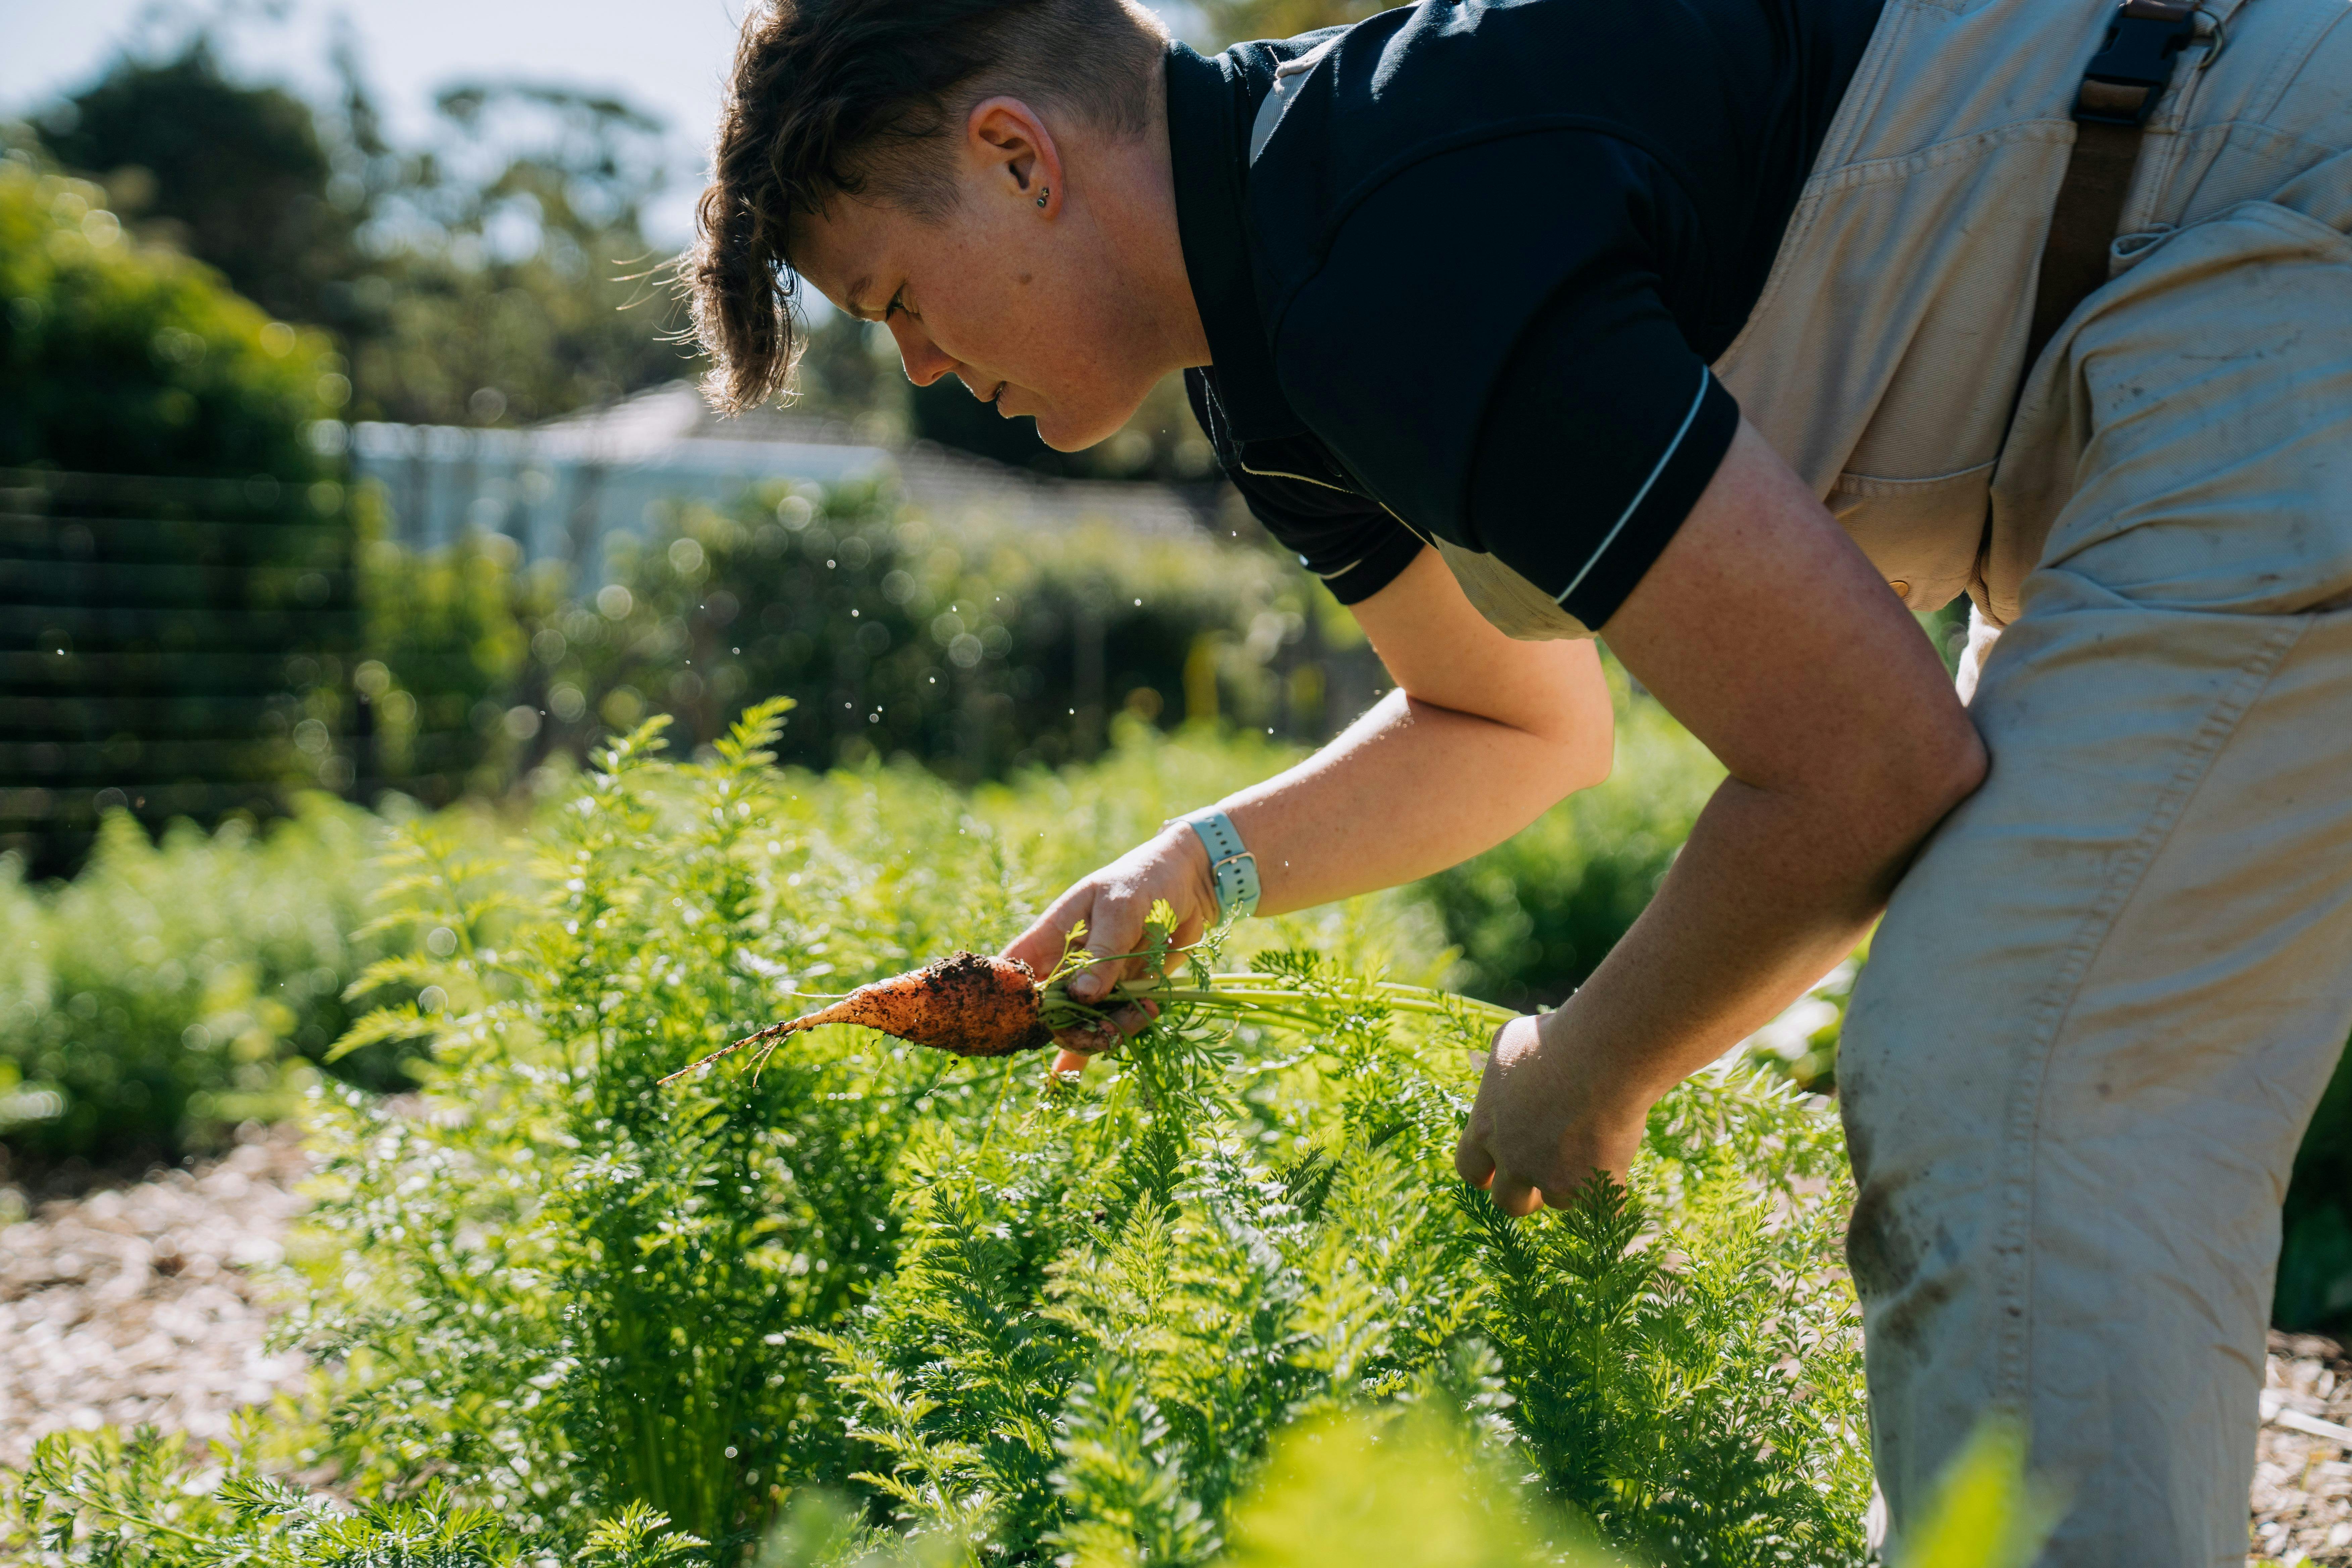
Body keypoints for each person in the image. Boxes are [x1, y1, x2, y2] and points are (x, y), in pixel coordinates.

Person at [683, 0, 2352, 1555]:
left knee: (1999, 1059)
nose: (911, 366)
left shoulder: (1389, 239)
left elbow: (1873, 761)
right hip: (2137, 351)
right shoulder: (1271, 363)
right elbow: (1520, 721)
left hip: (2260, 216)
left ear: (1019, 158)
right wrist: (1197, 869)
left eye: (897, 299)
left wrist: (1588, 1069)